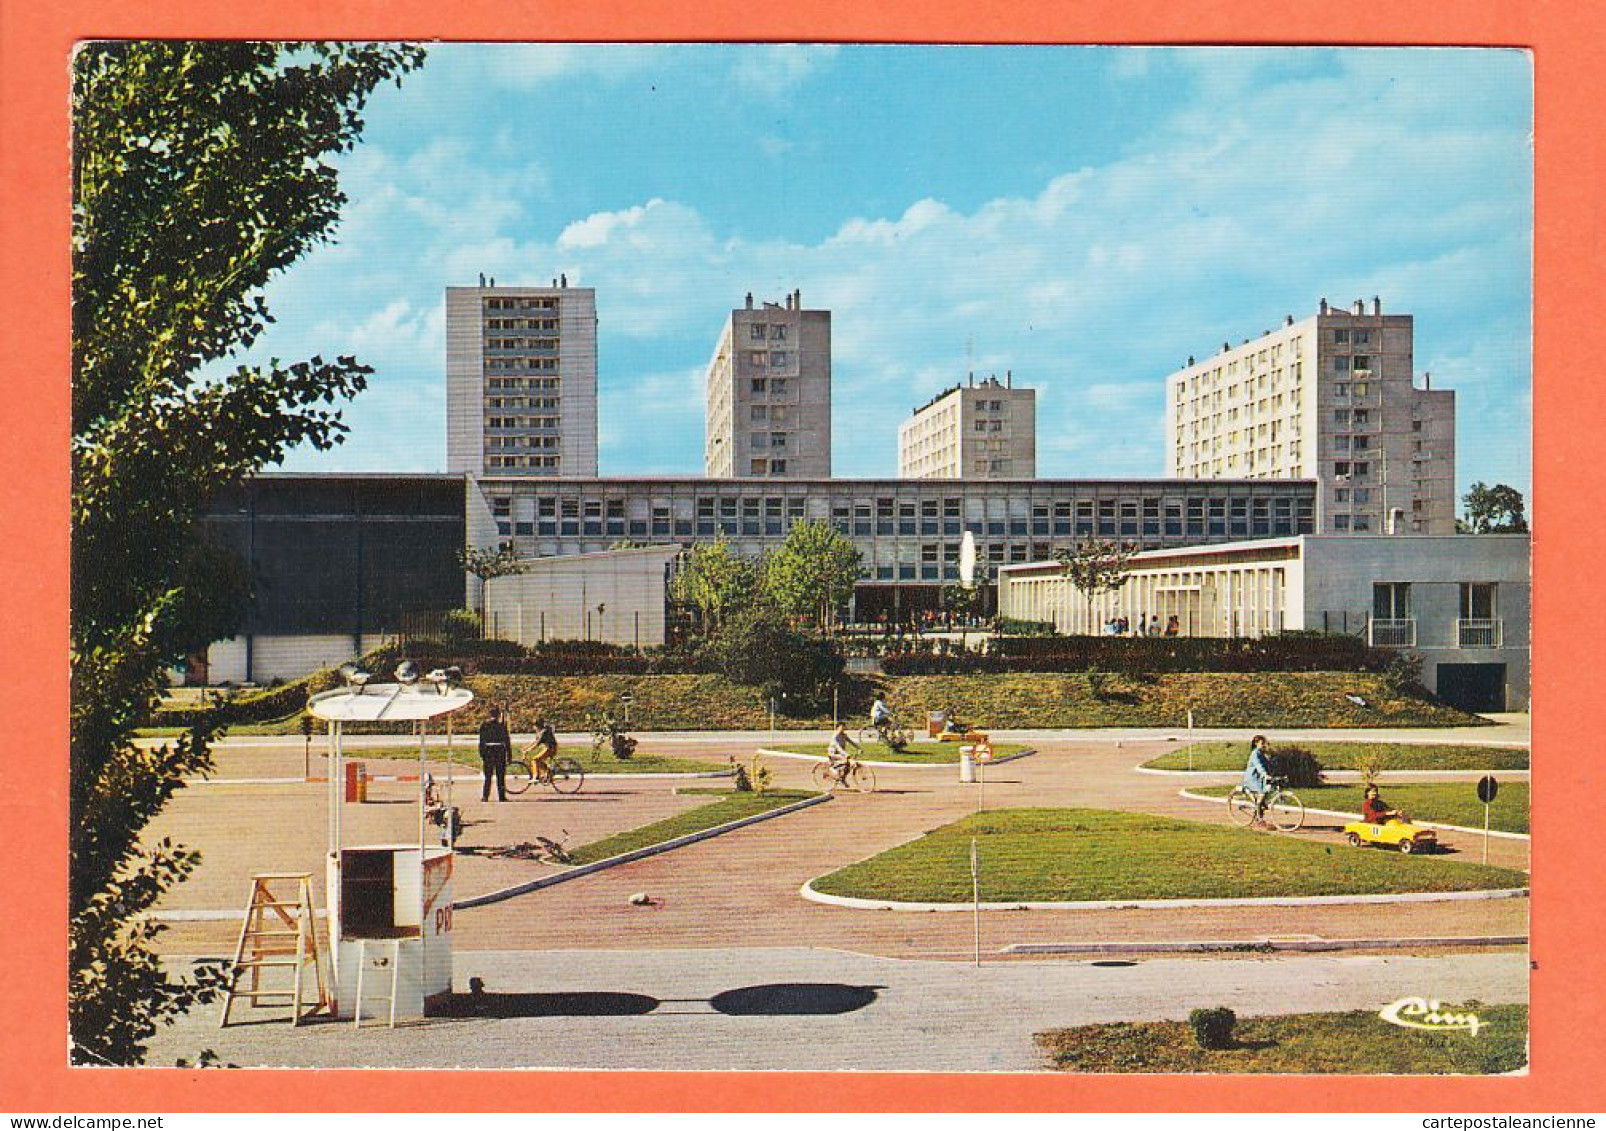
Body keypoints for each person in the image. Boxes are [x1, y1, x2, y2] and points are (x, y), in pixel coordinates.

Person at [478, 706, 511, 802]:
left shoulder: (484, 726)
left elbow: (481, 741)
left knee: (488, 776)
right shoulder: (502, 726)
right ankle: (501, 796)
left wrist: (482, 754)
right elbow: (507, 741)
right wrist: (509, 754)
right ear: (499, 715)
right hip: (500, 751)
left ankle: (485, 796)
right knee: (500, 776)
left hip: (488, 752)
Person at [1241, 734, 1276, 812]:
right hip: (1252, 777)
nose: (1264, 745)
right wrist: (1265, 774)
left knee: (1267, 790)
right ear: (1256, 744)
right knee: (1262, 793)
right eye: (1262, 743)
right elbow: (1259, 766)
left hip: (1259, 777)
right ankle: (1258, 813)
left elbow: (1267, 764)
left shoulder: (1261, 753)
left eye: (1264, 743)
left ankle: (1260, 806)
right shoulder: (1255, 754)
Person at [826, 724, 861, 789]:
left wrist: (858, 748)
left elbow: (851, 742)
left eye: (844, 727)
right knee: (845, 760)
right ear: (837, 728)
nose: (843, 728)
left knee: (848, 766)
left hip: (840, 753)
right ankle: (833, 768)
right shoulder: (835, 736)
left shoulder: (844, 735)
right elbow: (838, 746)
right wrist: (845, 754)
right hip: (833, 753)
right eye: (841, 727)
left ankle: (842, 779)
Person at [530, 716, 558, 782]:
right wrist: (527, 748)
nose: (534, 727)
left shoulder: (543, 732)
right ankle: (549, 772)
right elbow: (535, 742)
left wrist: (528, 750)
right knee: (539, 760)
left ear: (538, 725)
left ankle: (536, 777)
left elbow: (537, 744)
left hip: (550, 749)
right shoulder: (542, 731)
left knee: (535, 759)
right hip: (549, 748)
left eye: (535, 725)